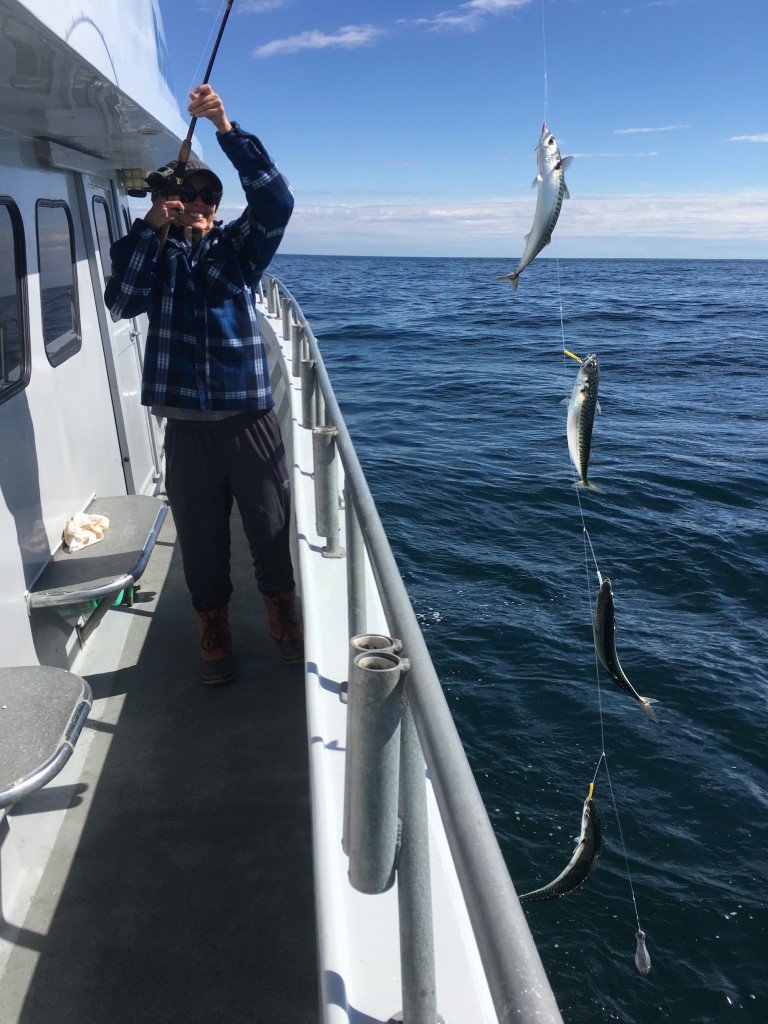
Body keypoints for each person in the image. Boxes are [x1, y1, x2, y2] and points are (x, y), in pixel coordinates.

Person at [105, 84, 302, 684]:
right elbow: (123, 301)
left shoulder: (237, 251)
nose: (193, 204)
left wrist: (224, 128)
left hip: (248, 421)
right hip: (186, 429)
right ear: (165, 202)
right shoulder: (148, 252)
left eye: (203, 196)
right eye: (181, 195)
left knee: (269, 530)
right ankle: (212, 629)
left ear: (216, 206)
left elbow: (276, 204)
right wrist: (149, 230)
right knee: (200, 537)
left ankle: (281, 618)